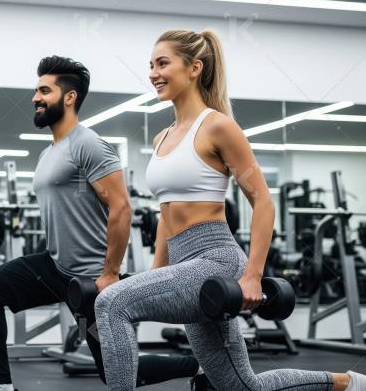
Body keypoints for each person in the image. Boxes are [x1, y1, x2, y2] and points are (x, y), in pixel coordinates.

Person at [93, 29, 366, 391]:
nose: (153, 73)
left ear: (194, 68)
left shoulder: (219, 126)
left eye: (163, 63)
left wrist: (252, 275)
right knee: (240, 386)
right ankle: (348, 384)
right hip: (182, 263)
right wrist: (156, 272)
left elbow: (263, 202)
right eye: (151, 65)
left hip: (216, 260)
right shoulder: (162, 137)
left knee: (111, 304)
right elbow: (165, 215)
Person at [0, 56, 200, 391]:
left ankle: (198, 364)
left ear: (69, 97)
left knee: (119, 372)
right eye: (36, 90)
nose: (35, 97)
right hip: (53, 268)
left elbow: (121, 208)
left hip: (90, 280)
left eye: (44, 91)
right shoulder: (49, 153)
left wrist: (109, 273)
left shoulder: (89, 145)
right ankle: (1, 386)